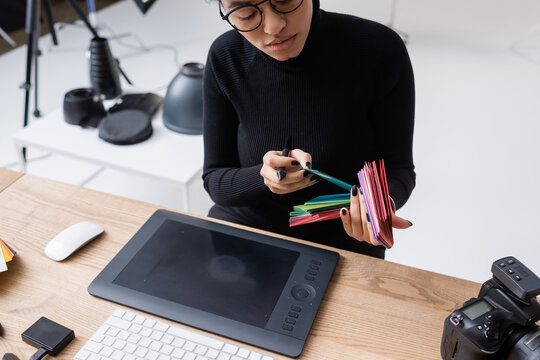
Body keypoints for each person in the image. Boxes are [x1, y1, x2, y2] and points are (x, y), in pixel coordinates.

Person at [202, 0, 415, 259]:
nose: (273, 26)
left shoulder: (379, 50)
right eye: (245, 13)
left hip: (345, 236)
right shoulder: (226, 57)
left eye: (284, 1)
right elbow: (215, 179)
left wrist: (378, 205)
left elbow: (399, 169)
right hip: (247, 229)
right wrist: (262, 176)